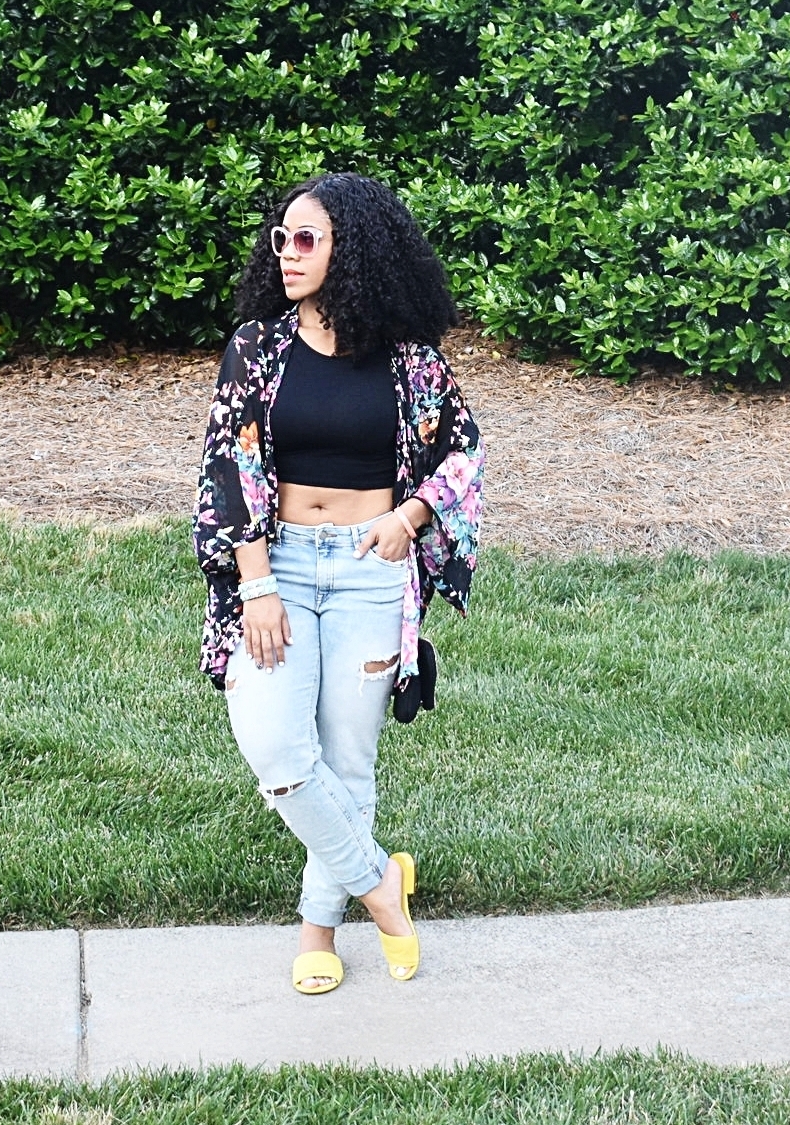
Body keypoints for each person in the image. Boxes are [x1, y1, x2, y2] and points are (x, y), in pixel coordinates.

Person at [193, 172, 483, 994]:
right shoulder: (258, 348)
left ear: (349, 251)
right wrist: (256, 584)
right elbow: (230, 465)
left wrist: (413, 516)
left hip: (369, 570)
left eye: (306, 239)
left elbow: (463, 451)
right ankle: (382, 887)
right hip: (278, 565)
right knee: (279, 749)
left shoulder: (412, 363)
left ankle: (317, 930)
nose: (287, 253)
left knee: (348, 759)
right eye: (281, 238)